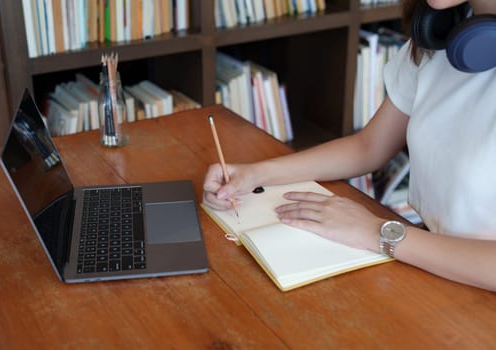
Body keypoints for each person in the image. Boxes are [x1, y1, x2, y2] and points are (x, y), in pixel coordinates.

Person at [203, 0, 496, 292]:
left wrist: (377, 232)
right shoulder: (442, 31)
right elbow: (368, 147)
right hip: (429, 263)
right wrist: (256, 174)